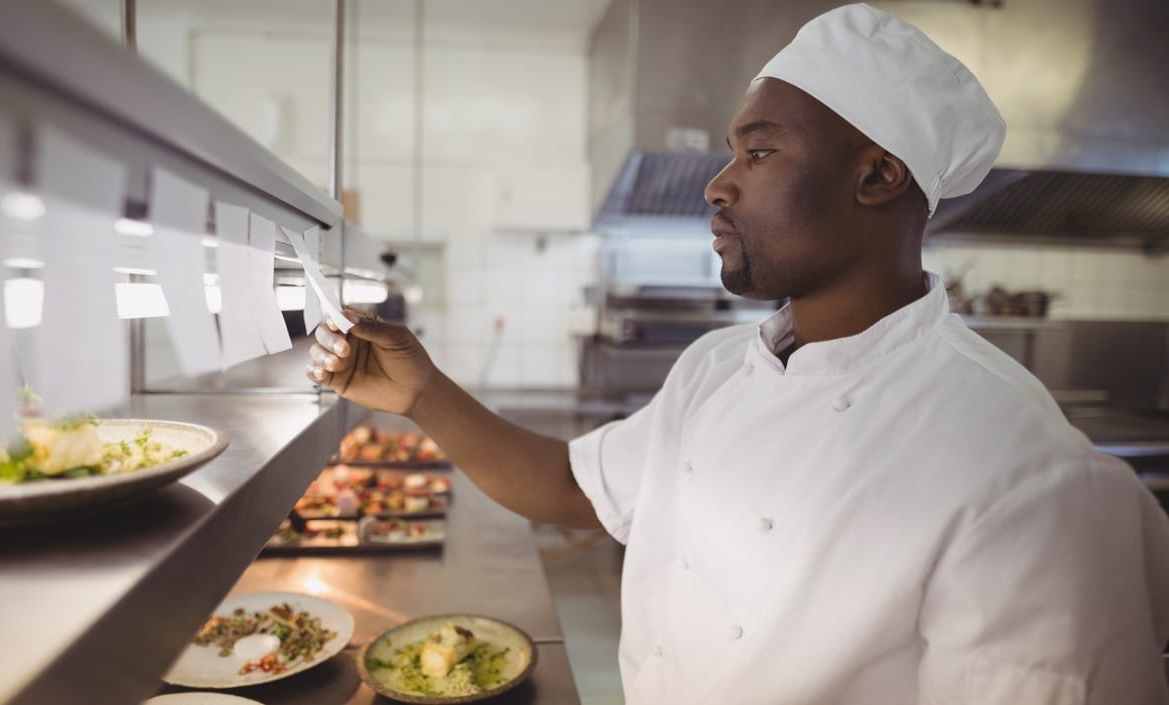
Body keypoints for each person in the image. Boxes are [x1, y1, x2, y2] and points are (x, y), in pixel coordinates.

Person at [308, 5, 1169, 703]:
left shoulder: (1028, 478)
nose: (719, 183)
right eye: (730, 152)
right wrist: (423, 393)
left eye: (758, 151)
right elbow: (574, 486)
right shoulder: (717, 368)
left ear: (877, 175)